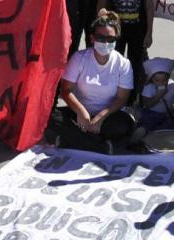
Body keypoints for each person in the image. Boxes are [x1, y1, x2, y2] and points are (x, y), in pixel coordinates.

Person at [47, 10, 136, 153]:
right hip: (79, 114)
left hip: (107, 117)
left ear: (116, 39)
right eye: (100, 37)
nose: (105, 42)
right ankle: (102, 146)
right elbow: (66, 90)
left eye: (110, 39)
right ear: (92, 38)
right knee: (50, 118)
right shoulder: (79, 58)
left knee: (125, 124)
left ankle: (72, 140)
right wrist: (81, 112)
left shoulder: (123, 64)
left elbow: (121, 98)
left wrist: (101, 117)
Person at [139, 57, 174, 134]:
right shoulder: (149, 87)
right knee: (147, 123)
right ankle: (144, 132)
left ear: (168, 78)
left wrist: (173, 113)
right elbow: (147, 104)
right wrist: (158, 95)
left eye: (164, 80)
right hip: (151, 113)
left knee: (169, 126)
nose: (161, 83)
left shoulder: (173, 87)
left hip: (167, 113)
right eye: (157, 80)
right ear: (151, 79)